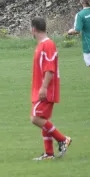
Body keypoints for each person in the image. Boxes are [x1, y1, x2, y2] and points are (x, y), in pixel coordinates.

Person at [30, 17, 71, 161]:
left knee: (35, 118)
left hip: (46, 89)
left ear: (33, 29)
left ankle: (62, 139)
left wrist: (44, 87)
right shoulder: (42, 45)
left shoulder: (48, 45)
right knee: (42, 119)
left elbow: (50, 69)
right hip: (40, 89)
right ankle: (48, 154)